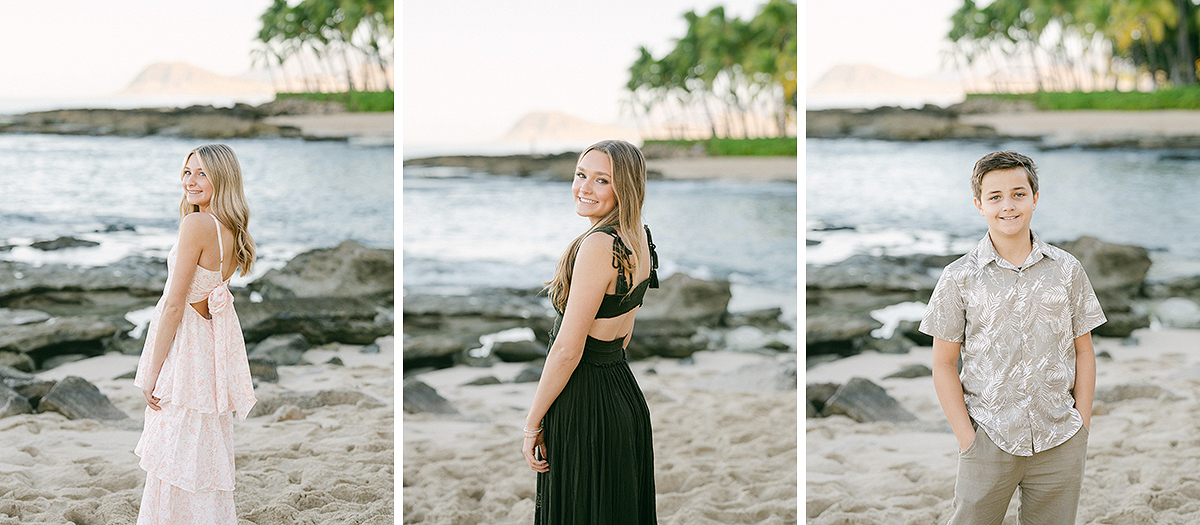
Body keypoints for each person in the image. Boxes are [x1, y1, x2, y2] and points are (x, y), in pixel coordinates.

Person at [919, 150, 1107, 524]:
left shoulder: (1067, 269)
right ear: (979, 204)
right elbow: (942, 364)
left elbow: (1084, 352)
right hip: (989, 437)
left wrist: (1081, 425)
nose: (1008, 205)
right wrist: (967, 440)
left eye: (1019, 194)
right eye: (995, 197)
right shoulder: (958, 277)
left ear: (1035, 198)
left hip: (1060, 438)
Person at [521, 139, 660, 524]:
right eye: (581, 174)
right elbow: (624, 332)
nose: (584, 187)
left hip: (583, 401)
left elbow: (567, 348)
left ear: (625, 188)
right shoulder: (640, 239)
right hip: (623, 395)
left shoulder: (600, 244)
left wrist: (533, 424)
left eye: (601, 180)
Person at [133, 144, 257, 524]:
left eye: (201, 173)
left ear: (223, 177)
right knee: (200, 447)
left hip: (186, 348)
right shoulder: (231, 231)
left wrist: (152, 370)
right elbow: (203, 298)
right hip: (207, 347)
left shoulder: (198, 224)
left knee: (176, 449)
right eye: (187, 172)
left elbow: (174, 304)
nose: (191, 181)